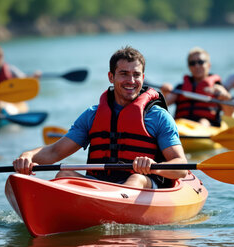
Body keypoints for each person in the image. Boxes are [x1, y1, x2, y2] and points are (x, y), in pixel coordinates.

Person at [13, 46, 187, 189]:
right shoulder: (92, 115)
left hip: (144, 184)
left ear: (142, 77)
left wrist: (153, 167)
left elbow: (181, 167)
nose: (131, 80)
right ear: (111, 77)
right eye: (124, 74)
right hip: (100, 187)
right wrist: (28, 156)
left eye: (136, 75)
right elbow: (54, 152)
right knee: (63, 175)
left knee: (136, 179)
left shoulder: (158, 116)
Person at [160, 47, 231, 128]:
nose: (197, 66)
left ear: (208, 65)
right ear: (189, 67)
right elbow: (165, 104)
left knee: (203, 122)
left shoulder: (218, 88)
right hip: (182, 124)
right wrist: (164, 94)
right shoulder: (181, 87)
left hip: (207, 125)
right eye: (192, 63)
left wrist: (225, 98)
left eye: (200, 62)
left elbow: (229, 114)